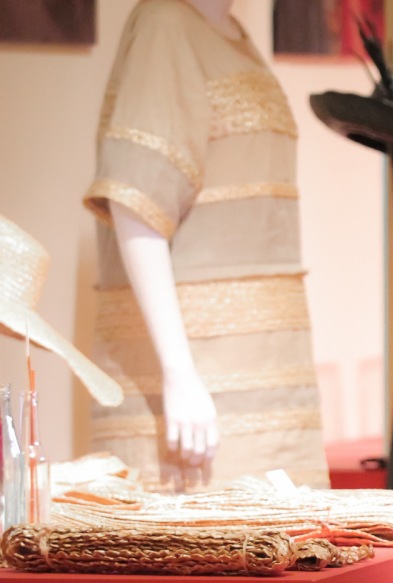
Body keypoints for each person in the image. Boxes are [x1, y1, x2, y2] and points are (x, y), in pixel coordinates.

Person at [83, 0, 329, 492]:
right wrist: (179, 375)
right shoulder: (165, 24)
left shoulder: (230, 32)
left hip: (260, 375)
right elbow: (136, 201)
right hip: (206, 389)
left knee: (289, 555)